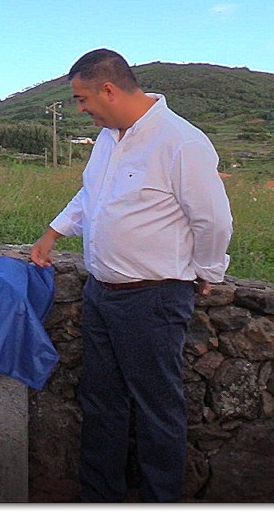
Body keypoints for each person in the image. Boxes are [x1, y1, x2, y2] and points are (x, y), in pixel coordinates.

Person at [30, 48, 232, 502]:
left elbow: (213, 220)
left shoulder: (182, 141)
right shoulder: (110, 138)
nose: (81, 110)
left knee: (157, 409)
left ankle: (162, 502)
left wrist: (208, 270)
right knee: (102, 404)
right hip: (102, 292)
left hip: (154, 297)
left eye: (82, 99)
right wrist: (52, 234)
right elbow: (90, 197)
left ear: (108, 89)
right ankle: (100, 498)